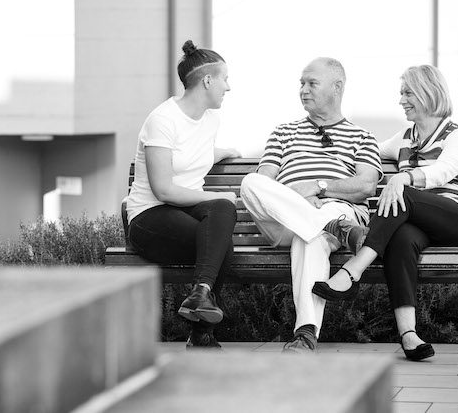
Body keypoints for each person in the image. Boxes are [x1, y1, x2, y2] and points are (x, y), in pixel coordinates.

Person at [313, 64, 458, 361]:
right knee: (401, 237)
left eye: (407, 93)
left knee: (402, 193)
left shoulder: (457, 136)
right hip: (421, 223)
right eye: (401, 93)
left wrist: (404, 177)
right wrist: (327, 162)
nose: (401, 99)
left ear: (427, 93)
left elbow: (441, 172)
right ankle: (409, 335)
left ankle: (352, 271)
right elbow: (368, 152)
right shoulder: (406, 137)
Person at [240, 57, 382, 354]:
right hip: (283, 221)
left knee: (311, 236)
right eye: (301, 84)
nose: (303, 89)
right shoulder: (283, 132)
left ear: (337, 87)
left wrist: (318, 187)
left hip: (336, 208)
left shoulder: (362, 137)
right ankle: (333, 228)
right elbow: (263, 182)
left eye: (311, 83)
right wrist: (293, 198)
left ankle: (305, 334)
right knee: (249, 184)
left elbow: (366, 185)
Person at [126, 40, 241, 349]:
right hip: (149, 218)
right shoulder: (162, 120)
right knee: (221, 239)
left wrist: (224, 153)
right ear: (207, 80)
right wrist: (219, 196)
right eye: (224, 79)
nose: (228, 88)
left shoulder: (210, 120)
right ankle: (202, 332)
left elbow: (193, 152)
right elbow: (163, 189)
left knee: (220, 218)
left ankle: (200, 293)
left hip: (182, 212)